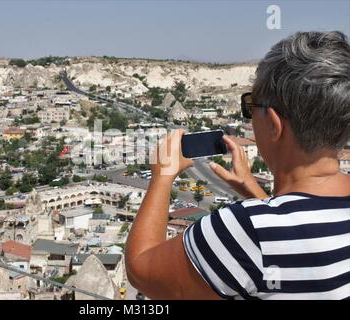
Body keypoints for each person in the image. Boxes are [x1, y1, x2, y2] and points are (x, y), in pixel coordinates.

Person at [125, 31, 350, 300]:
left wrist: (162, 176)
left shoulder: (246, 229)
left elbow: (141, 270)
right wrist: (256, 193)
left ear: (274, 124)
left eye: (250, 105)